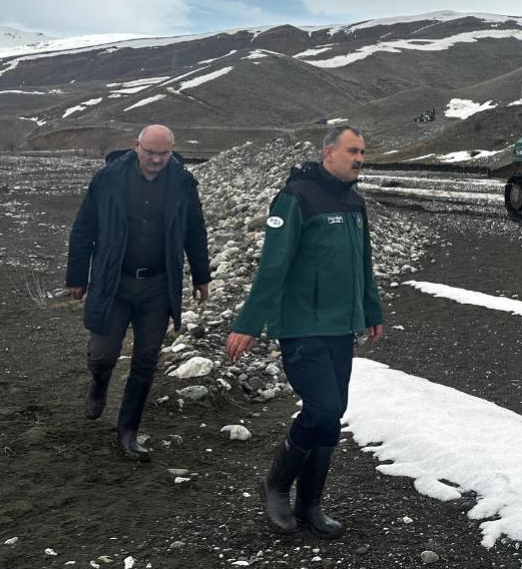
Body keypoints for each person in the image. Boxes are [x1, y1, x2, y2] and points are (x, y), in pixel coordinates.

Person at [225, 126, 384, 537]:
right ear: (328, 152)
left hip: (340, 327)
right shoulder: (296, 197)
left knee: (331, 419)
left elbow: (362, 261)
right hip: (301, 327)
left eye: (363, 152)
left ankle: (310, 505)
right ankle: (275, 485)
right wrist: (248, 324)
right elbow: (273, 265)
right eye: (353, 151)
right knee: (324, 410)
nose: (360, 159)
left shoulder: (355, 201)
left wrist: (371, 309)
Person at [66, 124, 211, 461]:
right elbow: (84, 226)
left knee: (146, 361)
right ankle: (99, 384)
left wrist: (201, 277)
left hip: (159, 286)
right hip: (113, 282)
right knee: (103, 353)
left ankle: (128, 431)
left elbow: (195, 230)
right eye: (151, 152)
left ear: (172, 151)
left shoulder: (183, 183)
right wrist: (77, 276)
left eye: (164, 153)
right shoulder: (109, 179)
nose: (157, 160)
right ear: (136, 147)